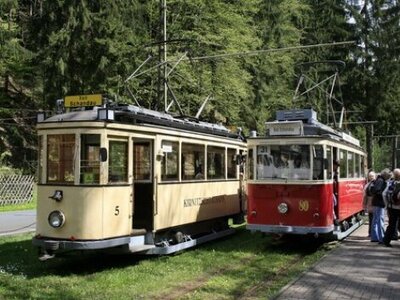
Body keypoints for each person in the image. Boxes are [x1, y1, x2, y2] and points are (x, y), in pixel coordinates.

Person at [370, 168, 391, 243]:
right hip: (379, 203)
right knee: (380, 220)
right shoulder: (381, 181)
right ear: (386, 175)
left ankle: (374, 236)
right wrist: (383, 196)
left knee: (375, 220)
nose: (389, 178)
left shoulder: (378, 179)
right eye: (388, 176)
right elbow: (378, 191)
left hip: (376, 202)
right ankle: (381, 237)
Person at [382, 168, 400, 247]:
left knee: (391, 225)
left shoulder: (390, 183)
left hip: (391, 207)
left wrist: (387, 205)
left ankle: (386, 241)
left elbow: (384, 194)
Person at [363, 170, 376, 237]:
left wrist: (364, 205)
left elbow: (364, 196)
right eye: (371, 176)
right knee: (374, 219)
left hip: (370, 204)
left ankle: (370, 233)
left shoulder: (367, 185)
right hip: (374, 204)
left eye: (372, 176)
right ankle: (374, 233)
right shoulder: (377, 184)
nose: (371, 177)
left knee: (371, 219)